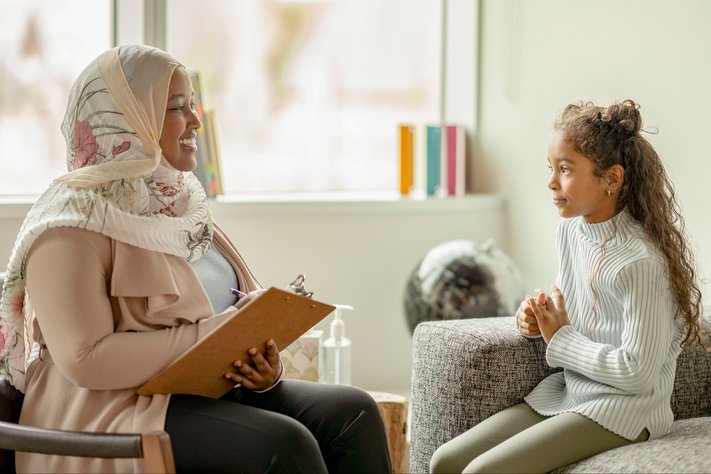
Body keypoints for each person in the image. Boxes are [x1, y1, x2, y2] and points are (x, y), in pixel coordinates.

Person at [0, 44, 391, 473]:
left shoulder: (180, 207)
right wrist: (213, 336)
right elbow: (85, 358)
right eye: (176, 108)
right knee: (285, 444)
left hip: (202, 391)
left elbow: (240, 303)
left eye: (193, 105)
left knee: (354, 412)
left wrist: (263, 365)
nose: (195, 121)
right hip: (108, 417)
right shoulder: (69, 226)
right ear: (129, 120)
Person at [429, 99, 705, 473]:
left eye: (566, 169)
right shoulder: (571, 232)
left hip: (626, 410)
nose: (551, 181)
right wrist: (532, 318)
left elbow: (638, 373)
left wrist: (561, 338)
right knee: (444, 462)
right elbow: (567, 306)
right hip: (570, 393)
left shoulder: (640, 262)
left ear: (611, 178)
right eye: (551, 168)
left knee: (481, 472)